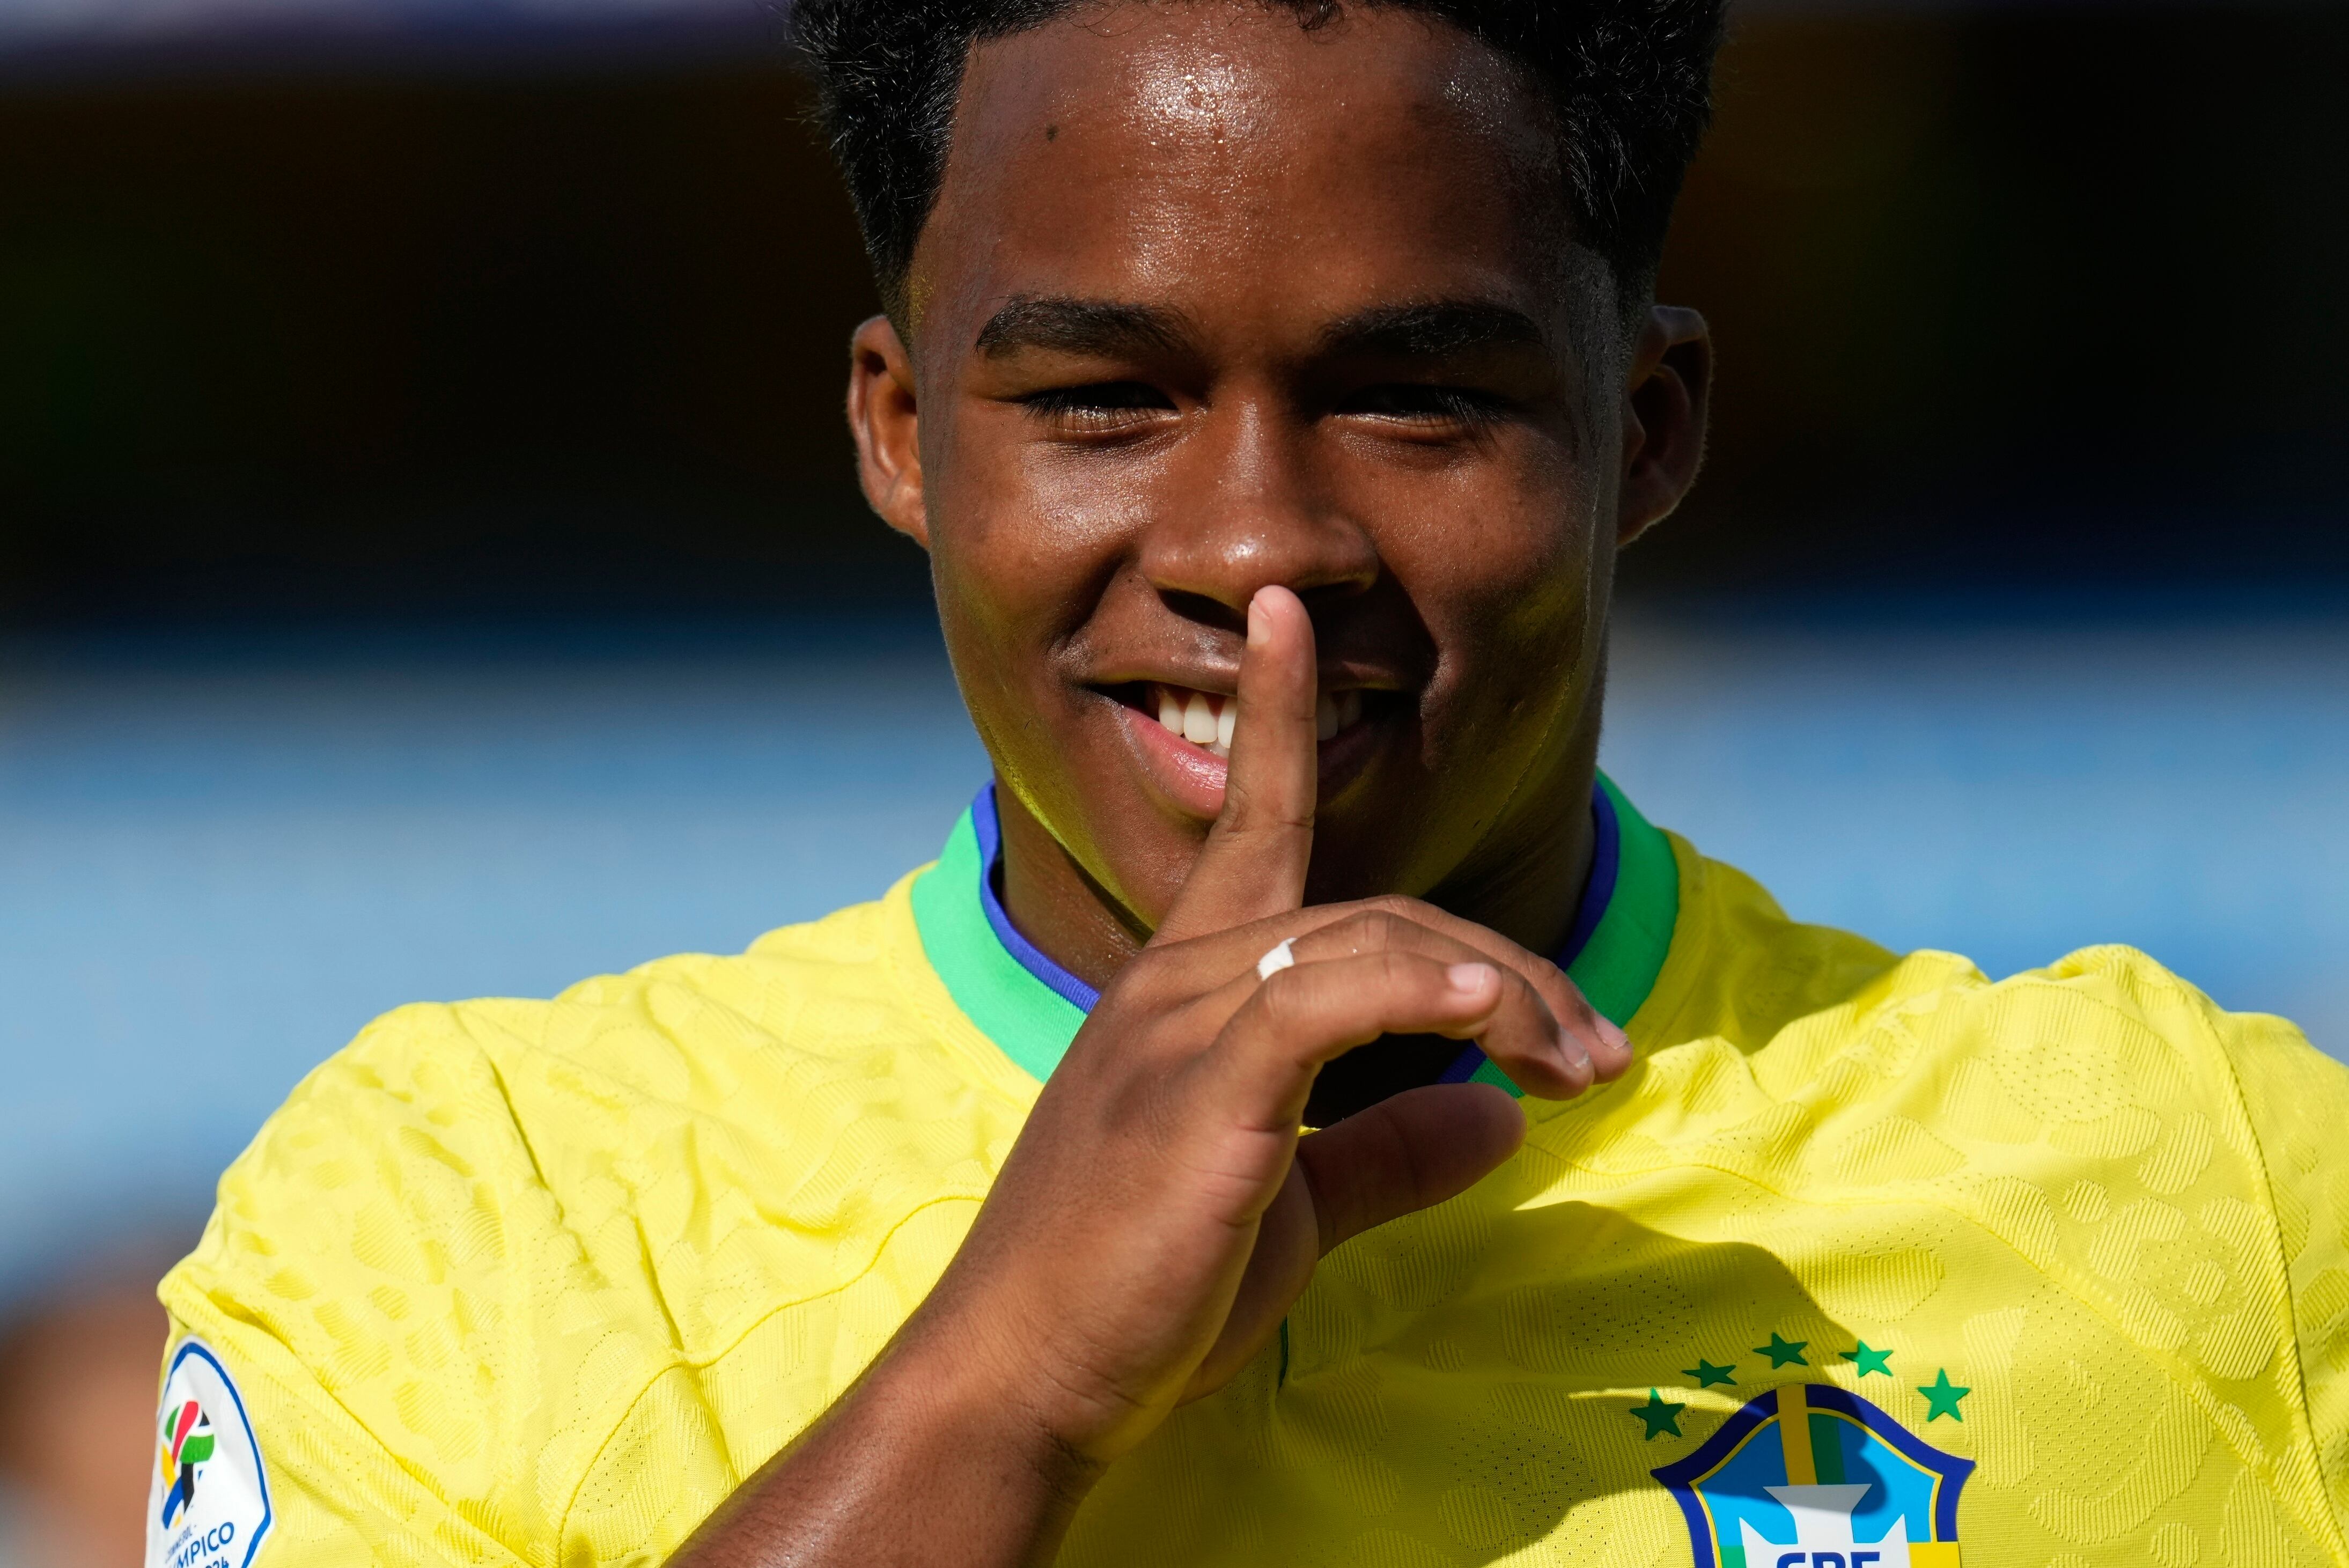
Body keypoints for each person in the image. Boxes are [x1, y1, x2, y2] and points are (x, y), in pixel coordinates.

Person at [148, 2, 2349, 1565]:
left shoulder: (2214, 1182)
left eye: (1414, 401)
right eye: (1106, 398)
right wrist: (997, 1388)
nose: (1255, 552)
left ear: (1649, 430)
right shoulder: (457, 1218)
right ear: (904, 434)